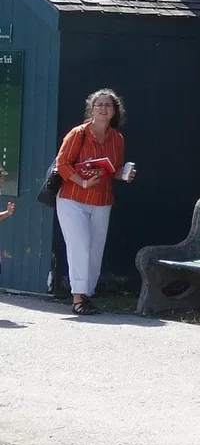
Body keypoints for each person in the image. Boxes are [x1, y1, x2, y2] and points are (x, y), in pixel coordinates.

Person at [54, 89, 136, 315]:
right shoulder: (78, 134)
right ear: (91, 109)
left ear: (114, 111)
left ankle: (86, 295)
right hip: (73, 198)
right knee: (79, 246)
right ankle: (77, 298)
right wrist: (82, 182)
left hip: (101, 200)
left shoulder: (117, 138)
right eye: (98, 104)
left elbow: (114, 169)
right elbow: (62, 164)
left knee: (95, 250)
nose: (103, 108)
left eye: (108, 105)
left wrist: (124, 175)